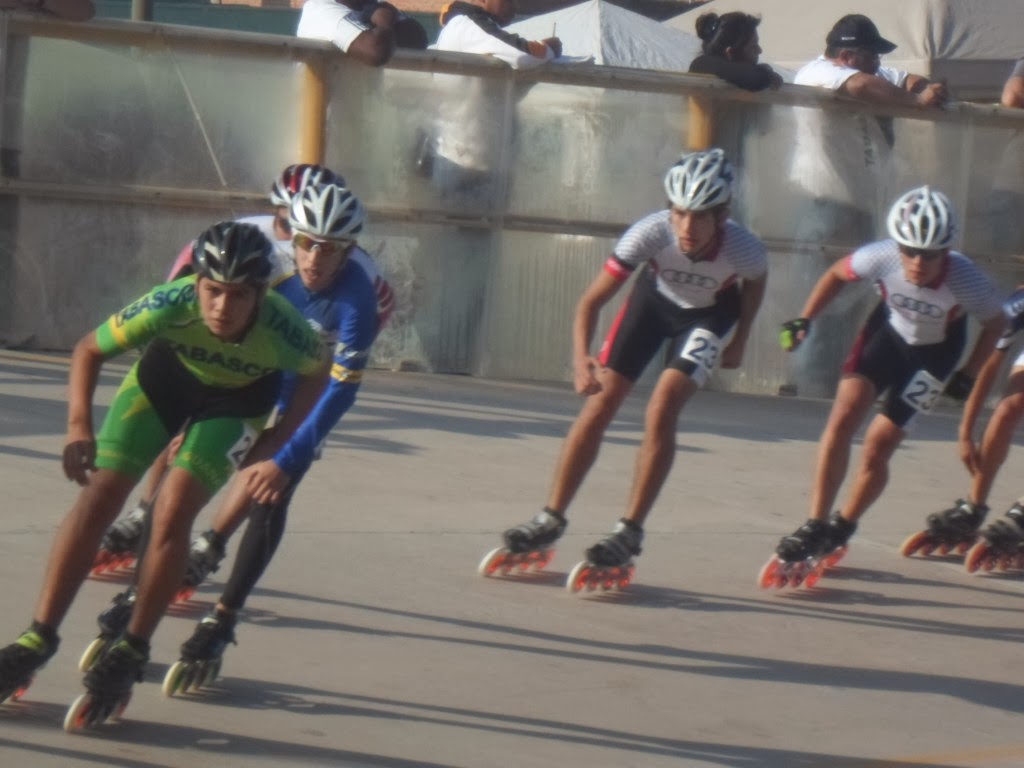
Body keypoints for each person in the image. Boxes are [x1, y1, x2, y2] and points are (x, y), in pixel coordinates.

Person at [0, 222, 330, 713]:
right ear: (196, 285)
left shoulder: (284, 328)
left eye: (239, 295)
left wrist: (277, 441)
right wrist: (78, 427)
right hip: (165, 381)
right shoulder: (169, 302)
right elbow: (89, 349)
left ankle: (133, 647)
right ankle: (38, 637)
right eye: (213, 291)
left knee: (173, 510)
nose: (222, 307)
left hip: (237, 402)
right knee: (99, 495)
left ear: (261, 295)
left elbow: (319, 373)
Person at [96, 163, 394, 572]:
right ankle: (145, 512)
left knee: (280, 452)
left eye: (326, 244)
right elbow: (184, 283)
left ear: (345, 244)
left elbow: (355, 355)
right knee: (183, 418)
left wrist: (293, 441)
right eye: (289, 226)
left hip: (308, 355)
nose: (304, 248)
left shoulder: (362, 279)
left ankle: (211, 543)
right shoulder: (249, 237)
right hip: (252, 348)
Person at [496, 148, 767, 570]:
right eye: (679, 213)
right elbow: (591, 301)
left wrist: (740, 339)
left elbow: (754, 286)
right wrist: (580, 358)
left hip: (709, 316)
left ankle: (630, 529)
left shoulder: (744, 249)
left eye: (700, 216)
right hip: (653, 305)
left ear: (723, 215)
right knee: (599, 404)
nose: (687, 227)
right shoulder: (650, 233)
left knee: (662, 406)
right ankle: (550, 517)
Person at [158, 181, 379, 684]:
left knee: (272, 491)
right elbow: (222, 341)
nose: (315, 259)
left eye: (330, 249)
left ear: (349, 251)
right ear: (291, 239)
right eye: (306, 243)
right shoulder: (271, 272)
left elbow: (341, 391)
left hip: (312, 391)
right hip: (260, 380)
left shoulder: (358, 300)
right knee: (188, 463)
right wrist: (194, 417)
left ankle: (223, 617)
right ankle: (193, 547)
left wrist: (288, 459)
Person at [769, 186, 1005, 571]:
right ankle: (815, 523)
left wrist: (968, 373)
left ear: (946, 251)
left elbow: (996, 324)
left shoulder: (967, 280)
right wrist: (805, 318)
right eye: (909, 250)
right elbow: (835, 274)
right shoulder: (880, 256)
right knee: (844, 416)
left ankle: (843, 525)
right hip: (887, 338)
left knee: (878, 446)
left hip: (934, 356)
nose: (917, 262)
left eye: (929, 254)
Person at [908, 283, 1024, 564]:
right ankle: (974, 507)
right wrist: (965, 432)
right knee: (1007, 409)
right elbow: (988, 365)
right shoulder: (1019, 302)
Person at [425, 0, 561, 200]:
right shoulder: (469, 24)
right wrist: (550, 48)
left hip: (475, 161)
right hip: (465, 165)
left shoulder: (466, 27)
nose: (515, 6)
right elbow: (524, 55)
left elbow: (497, 93)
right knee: (463, 218)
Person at [688, 11, 782, 92]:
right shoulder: (701, 66)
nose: (759, 51)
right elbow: (752, 78)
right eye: (753, 47)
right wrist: (766, 75)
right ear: (731, 52)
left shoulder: (732, 78)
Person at [296, 0, 402, 66]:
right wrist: (384, 22)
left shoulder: (369, 5)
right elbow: (375, 52)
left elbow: (411, 35)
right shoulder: (320, 9)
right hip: (327, 96)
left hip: (364, 94)